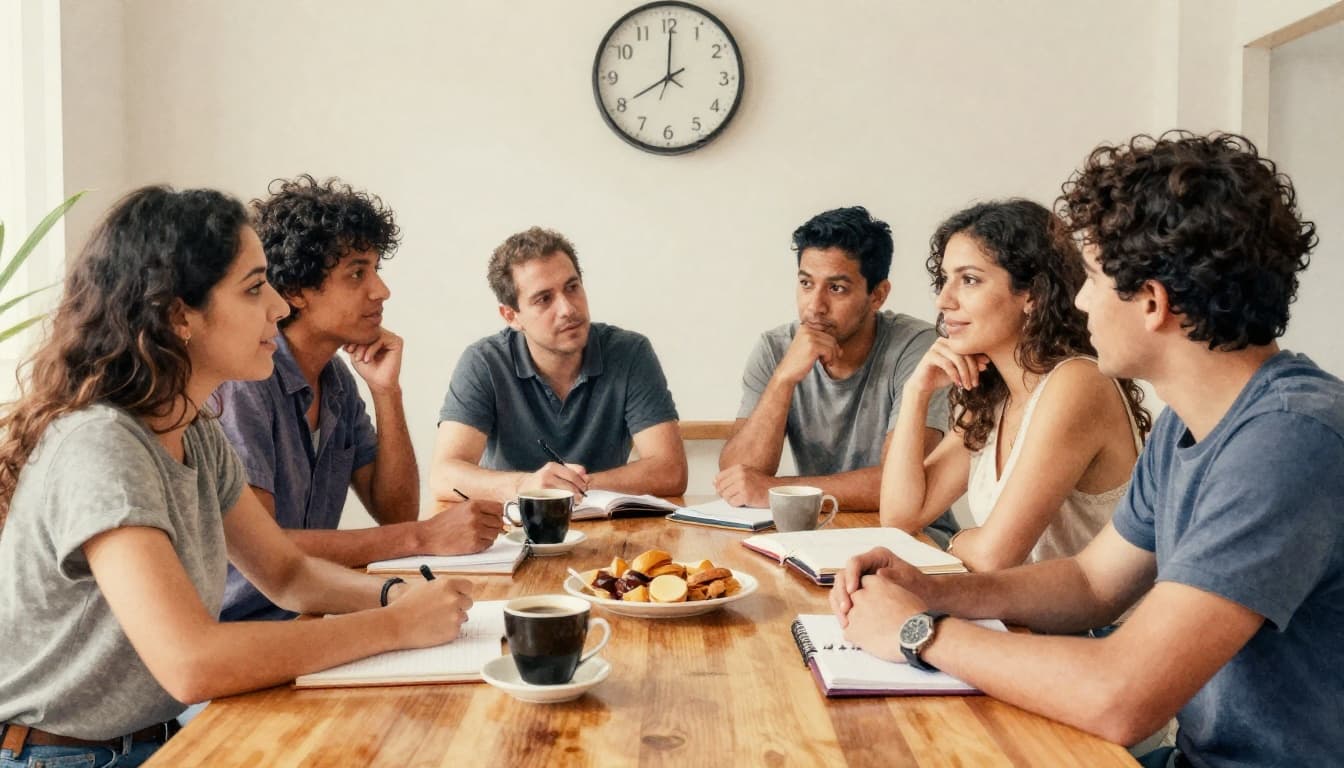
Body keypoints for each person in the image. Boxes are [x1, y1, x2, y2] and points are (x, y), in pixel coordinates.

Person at [831, 132, 1341, 768]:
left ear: (1152, 302)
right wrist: (929, 591)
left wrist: (917, 632)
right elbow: (1090, 583)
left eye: (1094, 280)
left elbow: (1122, 695)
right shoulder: (1193, 421)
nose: (1076, 301)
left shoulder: (1288, 440)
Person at [0, 187, 473, 767]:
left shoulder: (193, 428)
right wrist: (395, 625)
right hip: (59, 759)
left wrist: (396, 593)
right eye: (255, 288)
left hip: (150, 739)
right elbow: (191, 661)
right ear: (179, 316)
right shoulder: (101, 444)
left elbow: (287, 572)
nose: (278, 306)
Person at [216, 176, 501, 622]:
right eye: (356, 273)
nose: (381, 290)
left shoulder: (337, 381)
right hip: (243, 631)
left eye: (376, 269)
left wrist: (387, 392)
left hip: (311, 615)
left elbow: (394, 510)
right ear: (295, 291)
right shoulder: (244, 387)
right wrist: (422, 538)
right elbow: (269, 546)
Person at [879, 199, 1149, 571]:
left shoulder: (1077, 383)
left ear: (1033, 295)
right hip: (1024, 620)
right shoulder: (992, 398)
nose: (943, 299)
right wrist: (916, 393)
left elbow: (994, 556)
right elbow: (900, 516)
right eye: (945, 279)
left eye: (969, 279)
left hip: (1097, 629)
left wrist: (951, 541)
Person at [717, 206, 957, 542]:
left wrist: (780, 490)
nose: (815, 306)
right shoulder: (775, 348)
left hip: (912, 538)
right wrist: (784, 379)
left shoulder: (918, 348)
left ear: (878, 295)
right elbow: (736, 476)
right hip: (817, 535)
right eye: (806, 283)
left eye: (837, 288)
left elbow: (896, 484)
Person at [431, 226, 686, 503]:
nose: (568, 309)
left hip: (609, 522)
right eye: (544, 299)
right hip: (515, 530)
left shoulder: (630, 352)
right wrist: (527, 485)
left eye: (572, 287)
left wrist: (572, 488)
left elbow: (670, 471)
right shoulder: (484, 361)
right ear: (511, 316)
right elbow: (444, 475)